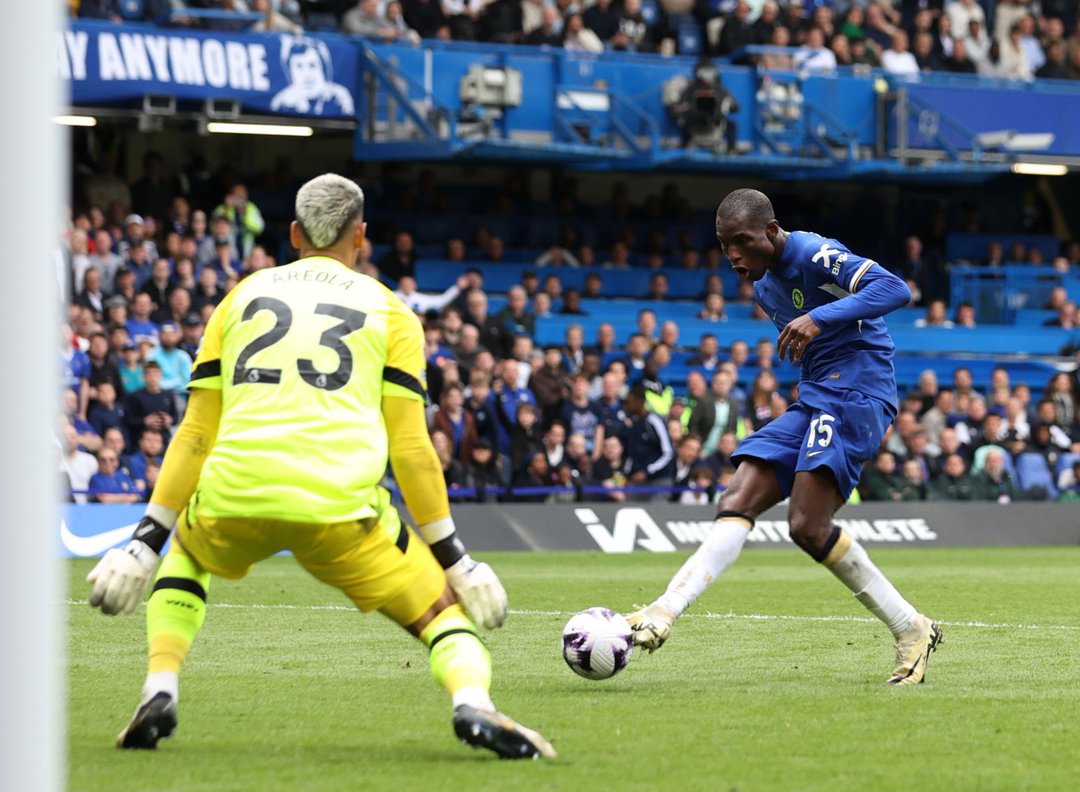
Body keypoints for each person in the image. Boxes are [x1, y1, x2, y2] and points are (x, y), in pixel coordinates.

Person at [85, 174, 552, 758]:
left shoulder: (241, 297)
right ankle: (472, 703)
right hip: (339, 506)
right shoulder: (391, 313)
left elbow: (197, 431)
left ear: (292, 234)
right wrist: (456, 558)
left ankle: (160, 687)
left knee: (187, 550)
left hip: (235, 493)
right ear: (362, 235)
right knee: (441, 615)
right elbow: (411, 449)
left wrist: (143, 543)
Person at [626, 188, 942, 685]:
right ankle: (664, 610)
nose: (733, 255)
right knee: (739, 496)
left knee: (807, 526)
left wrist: (819, 317)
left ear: (771, 232)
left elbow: (894, 290)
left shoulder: (814, 252)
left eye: (742, 241)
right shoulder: (762, 286)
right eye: (724, 244)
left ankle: (911, 629)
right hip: (818, 396)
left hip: (858, 392)